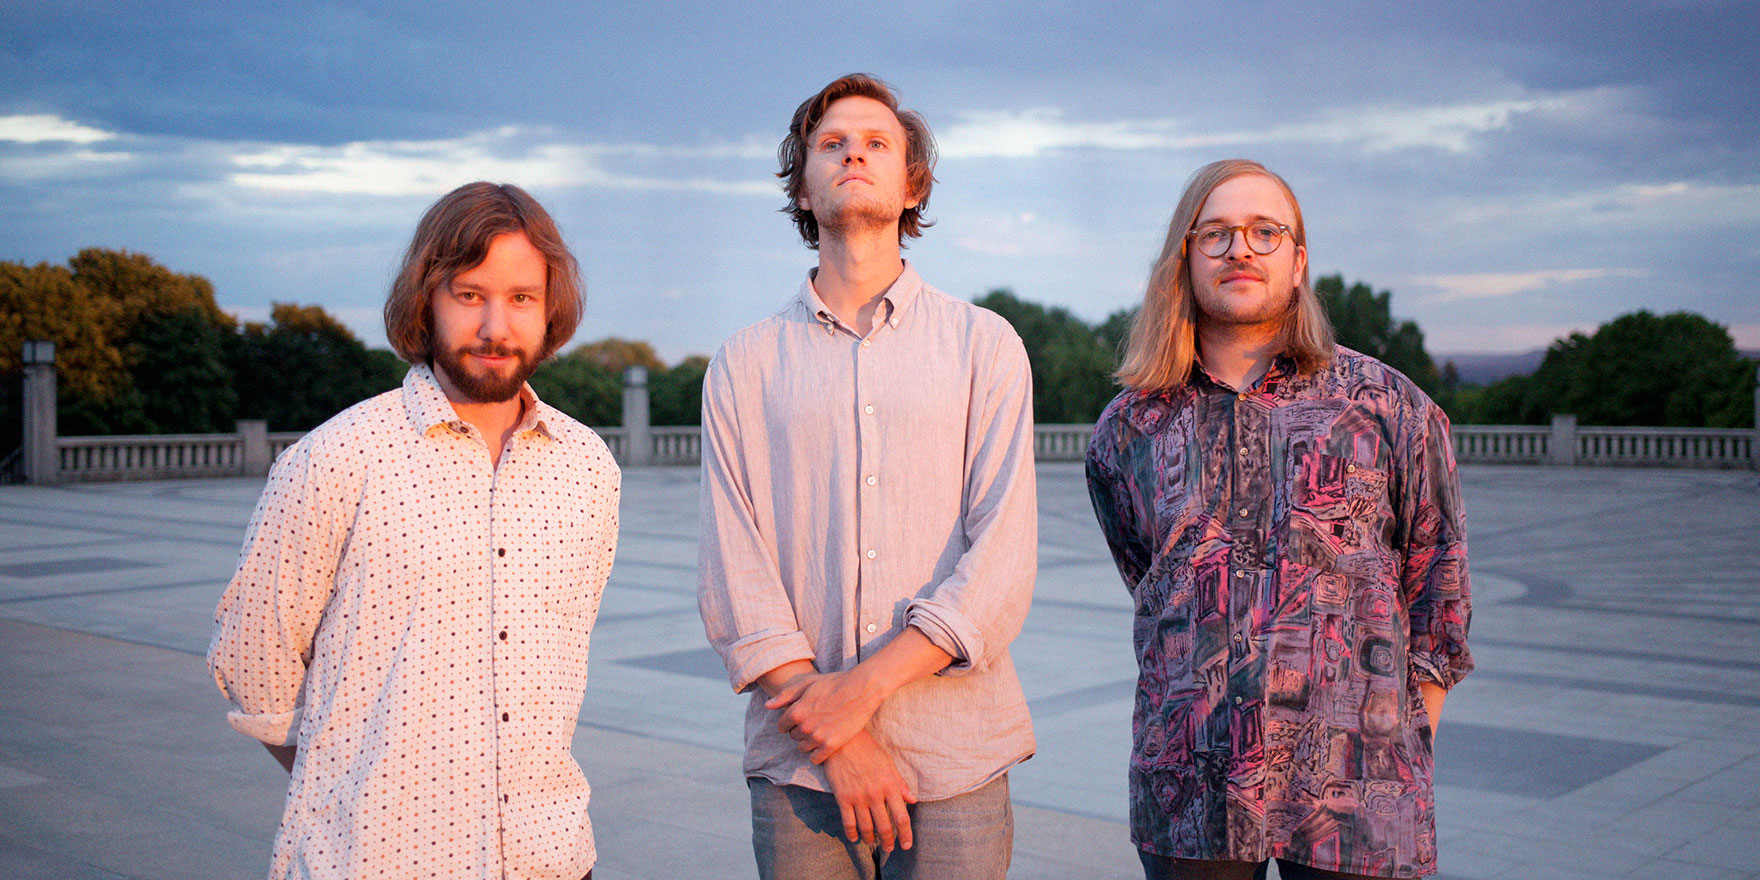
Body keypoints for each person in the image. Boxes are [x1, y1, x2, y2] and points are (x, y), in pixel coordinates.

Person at [208, 182, 619, 880]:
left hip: (551, 856)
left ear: (551, 308)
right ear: (426, 300)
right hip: (378, 859)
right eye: (469, 294)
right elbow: (253, 662)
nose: (495, 326)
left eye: (522, 297)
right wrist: (357, 783)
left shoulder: (588, 468)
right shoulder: (336, 458)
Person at [1084, 159, 1473, 880]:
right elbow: (1148, 575)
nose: (1241, 248)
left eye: (1266, 231)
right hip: (1190, 795)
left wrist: (1401, 743)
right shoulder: (1129, 428)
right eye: (1216, 233)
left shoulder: (1389, 407)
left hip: (1361, 797)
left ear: (1298, 261)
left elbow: (1439, 587)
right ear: (1184, 258)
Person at [697, 73, 1037, 880]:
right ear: (802, 189)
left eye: (877, 143)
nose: (854, 153)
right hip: (802, 765)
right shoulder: (744, 363)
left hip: (957, 755)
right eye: (832, 144)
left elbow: (1001, 561)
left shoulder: (985, 346)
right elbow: (735, 574)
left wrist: (858, 693)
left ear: (912, 185)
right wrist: (840, 737)